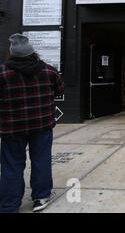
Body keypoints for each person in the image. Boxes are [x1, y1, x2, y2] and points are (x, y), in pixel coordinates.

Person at [0, 33, 64, 213]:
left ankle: (9, 205)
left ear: (11, 53)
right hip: (42, 126)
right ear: (32, 52)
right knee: (41, 160)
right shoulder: (49, 71)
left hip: (11, 128)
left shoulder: (3, 73)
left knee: (11, 165)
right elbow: (59, 90)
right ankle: (41, 196)